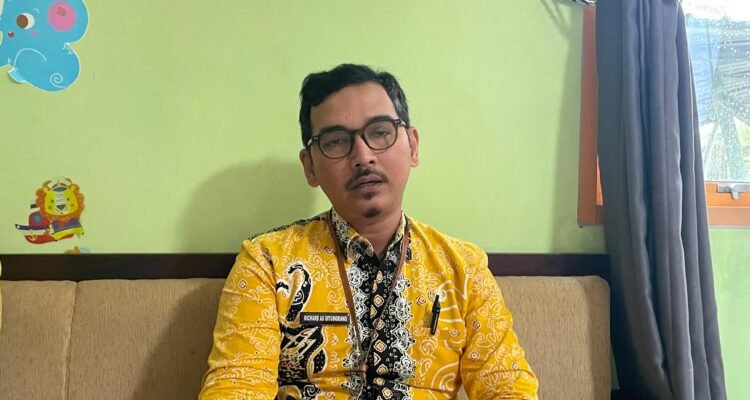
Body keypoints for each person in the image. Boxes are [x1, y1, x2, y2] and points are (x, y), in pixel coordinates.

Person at [199, 64, 538, 400]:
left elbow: (507, 385)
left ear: (413, 145)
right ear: (310, 166)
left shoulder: (463, 267)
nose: (363, 157)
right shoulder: (267, 262)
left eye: (379, 132)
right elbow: (236, 386)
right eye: (336, 141)